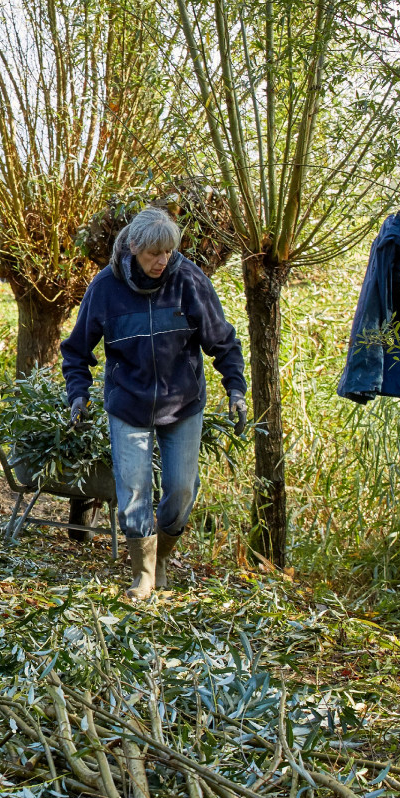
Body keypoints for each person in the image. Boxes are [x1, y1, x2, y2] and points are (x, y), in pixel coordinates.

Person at [60, 207, 247, 601]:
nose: (163, 261)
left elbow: (222, 340)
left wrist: (236, 389)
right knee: (133, 493)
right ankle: (143, 573)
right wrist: (77, 394)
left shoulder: (189, 281)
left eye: (168, 252)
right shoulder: (105, 289)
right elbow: (76, 351)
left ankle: (161, 557)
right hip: (128, 404)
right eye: (153, 254)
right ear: (133, 248)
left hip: (183, 404)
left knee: (180, 491)